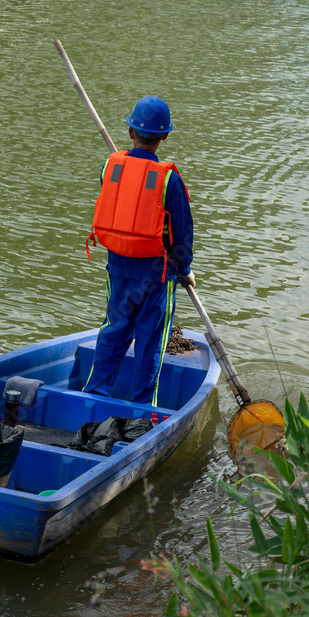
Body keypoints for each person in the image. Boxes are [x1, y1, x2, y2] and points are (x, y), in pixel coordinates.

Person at [82, 96, 195, 407]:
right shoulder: (169, 178)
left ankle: (93, 397)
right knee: (150, 339)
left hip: (118, 267)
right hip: (157, 274)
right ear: (165, 137)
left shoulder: (110, 166)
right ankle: (142, 408)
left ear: (130, 131)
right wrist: (184, 267)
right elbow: (182, 231)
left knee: (114, 330)